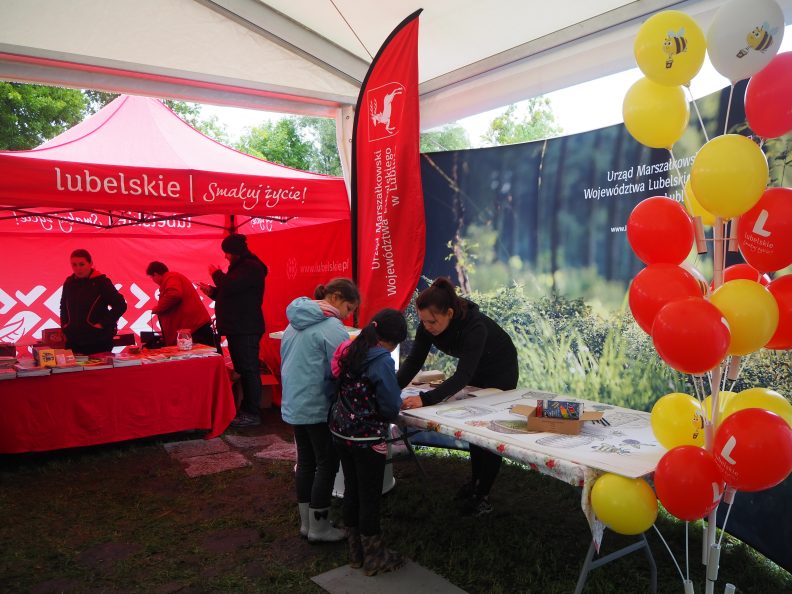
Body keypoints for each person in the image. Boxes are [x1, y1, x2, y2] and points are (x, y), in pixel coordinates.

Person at [397, 277, 518, 516]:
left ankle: (482, 495)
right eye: (423, 321)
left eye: (432, 321)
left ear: (450, 313)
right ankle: (475, 483)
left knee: (489, 432)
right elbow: (413, 363)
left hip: (500, 371)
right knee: (474, 430)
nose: (427, 326)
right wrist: (389, 389)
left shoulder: (475, 327)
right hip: (476, 371)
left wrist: (426, 398)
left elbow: (462, 375)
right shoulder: (428, 323)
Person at [280, 277, 360, 543]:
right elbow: (342, 368)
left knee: (305, 462)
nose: (348, 316)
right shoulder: (332, 326)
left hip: (295, 402)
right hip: (317, 404)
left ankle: (307, 524)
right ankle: (320, 527)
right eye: (349, 309)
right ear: (336, 297)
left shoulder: (293, 322)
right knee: (327, 463)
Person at [330, 308, 407, 575]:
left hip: (341, 432)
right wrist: (397, 401)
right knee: (370, 497)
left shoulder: (351, 350)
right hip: (368, 438)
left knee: (352, 490)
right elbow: (388, 407)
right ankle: (375, 559)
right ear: (391, 341)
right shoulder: (382, 360)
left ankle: (356, 553)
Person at [198, 234, 268, 428]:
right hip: (239, 327)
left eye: (227, 253)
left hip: (245, 328)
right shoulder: (242, 268)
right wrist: (213, 292)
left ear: (235, 252)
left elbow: (231, 285)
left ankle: (251, 412)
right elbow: (231, 292)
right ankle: (247, 410)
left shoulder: (251, 267)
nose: (226, 257)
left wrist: (216, 274)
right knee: (244, 369)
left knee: (248, 369)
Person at [60, 248, 128, 355]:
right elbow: (63, 306)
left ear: (90, 263)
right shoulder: (69, 283)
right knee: (75, 371)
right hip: (74, 341)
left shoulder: (101, 282)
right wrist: (65, 325)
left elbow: (120, 305)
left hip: (98, 340)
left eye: (81, 264)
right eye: (74, 265)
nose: (78, 268)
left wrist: (102, 324)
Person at [145, 261, 214, 348]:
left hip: (194, 329)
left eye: (152, 277)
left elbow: (174, 294)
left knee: (203, 358)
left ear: (156, 274)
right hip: (192, 328)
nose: (153, 281)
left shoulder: (170, 277)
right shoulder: (173, 278)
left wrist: (158, 308)